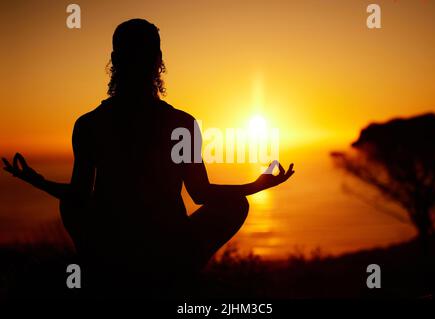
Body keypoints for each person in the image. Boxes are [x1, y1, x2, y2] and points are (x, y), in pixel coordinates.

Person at [2, 18, 294, 298]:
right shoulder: (181, 123)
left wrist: (37, 181)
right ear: (159, 61)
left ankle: (110, 273)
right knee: (235, 203)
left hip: (112, 246)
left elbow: (78, 196)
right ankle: (179, 273)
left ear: (114, 61)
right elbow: (201, 193)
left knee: (71, 205)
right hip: (169, 247)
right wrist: (256, 185)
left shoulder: (90, 123)